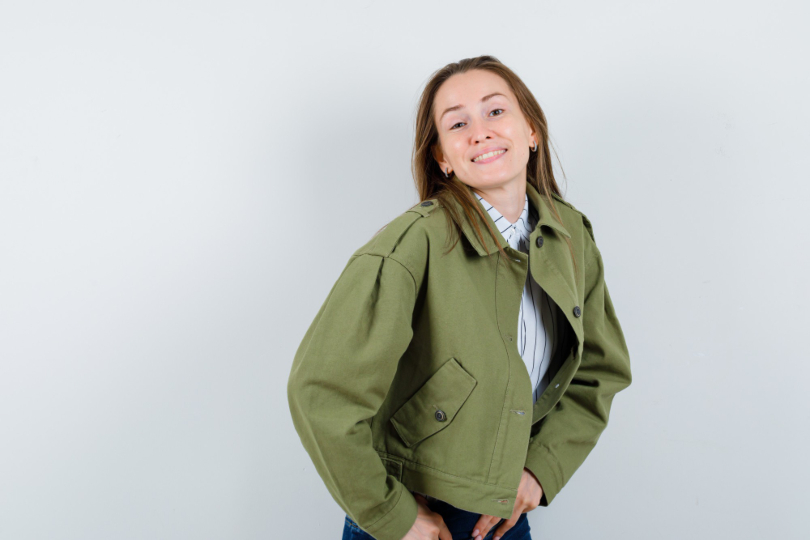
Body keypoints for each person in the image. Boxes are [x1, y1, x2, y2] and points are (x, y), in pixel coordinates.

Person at [287, 55, 633, 540]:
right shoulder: (414, 244)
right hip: (416, 512)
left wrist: (541, 470)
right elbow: (321, 393)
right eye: (457, 122)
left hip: (502, 515)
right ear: (443, 158)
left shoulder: (570, 234)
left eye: (495, 112)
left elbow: (600, 369)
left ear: (531, 130)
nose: (480, 131)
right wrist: (394, 517)